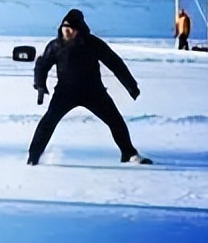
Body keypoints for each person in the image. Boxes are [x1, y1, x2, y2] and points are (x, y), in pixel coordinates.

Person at [27, 9, 151, 166]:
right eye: (64, 29)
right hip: (65, 92)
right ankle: (33, 157)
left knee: (115, 121)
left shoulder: (92, 43)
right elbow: (42, 65)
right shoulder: (56, 45)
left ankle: (128, 153)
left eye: (70, 29)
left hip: (93, 92)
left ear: (78, 29)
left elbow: (115, 63)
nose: (67, 32)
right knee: (48, 122)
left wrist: (131, 85)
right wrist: (40, 84)